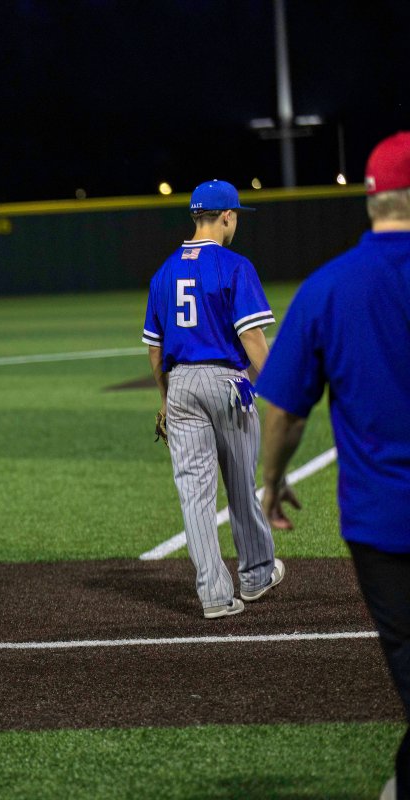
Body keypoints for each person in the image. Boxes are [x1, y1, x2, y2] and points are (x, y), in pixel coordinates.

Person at [256, 132, 410, 800]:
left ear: (372, 201)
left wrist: (271, 482)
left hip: (382, 524)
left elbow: (286, 415)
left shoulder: (327, 287)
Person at [142, 179, 290, 619]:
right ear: (226, 216)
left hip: (181, 385)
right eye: (235, 215)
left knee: (195, 495)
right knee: (240, 485)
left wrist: (166, 399)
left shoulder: (164, 272)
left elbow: (155, 350)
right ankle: (256, 574)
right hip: (228, 384)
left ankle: (213, 595)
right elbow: (252, 338)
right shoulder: (233, 265)